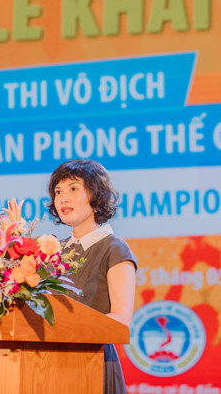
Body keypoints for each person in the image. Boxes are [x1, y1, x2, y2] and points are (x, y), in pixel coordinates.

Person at [47, 159, 137, 394]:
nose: (63, 198)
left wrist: (68, 330)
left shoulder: (114, 248)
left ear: (95, 195)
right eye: (58, 191)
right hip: (48, 366)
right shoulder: (52, 251)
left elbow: (120, 320)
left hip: (93, 363)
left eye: (73, 189)